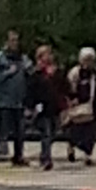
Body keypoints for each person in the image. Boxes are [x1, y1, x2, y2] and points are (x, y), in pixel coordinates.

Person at [0, 29, 28, 165]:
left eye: (16, 40)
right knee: (3, 129)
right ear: (6, 42)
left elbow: (30, 72)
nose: (15, 43)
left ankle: (18, 156)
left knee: (20, 130)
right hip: (4, 100)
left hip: (18, 100)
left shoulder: (22, 58)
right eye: (12, 40)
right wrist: (8, 72)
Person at [64, 46, 96, 165]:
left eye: (90, 59)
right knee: (75, 131)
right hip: (77, 107)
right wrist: (72, 100)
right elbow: (68, 88)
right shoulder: (75, 73)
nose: (88, 62)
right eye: (86, 59)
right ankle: (71, 147)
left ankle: (88, 155)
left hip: (92, 107)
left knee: (90, 133)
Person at [28, 43, 64, 171]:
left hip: (54, 107)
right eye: (46, 54)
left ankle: (44, 154)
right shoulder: (36, 73)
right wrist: (31, 106)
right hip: (41, 107)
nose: (49, 56)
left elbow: (63, 86)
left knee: (53, 133)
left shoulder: (56, 71)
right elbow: (31, 90)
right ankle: (46, 159)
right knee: (46, 133)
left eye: (50, 54)